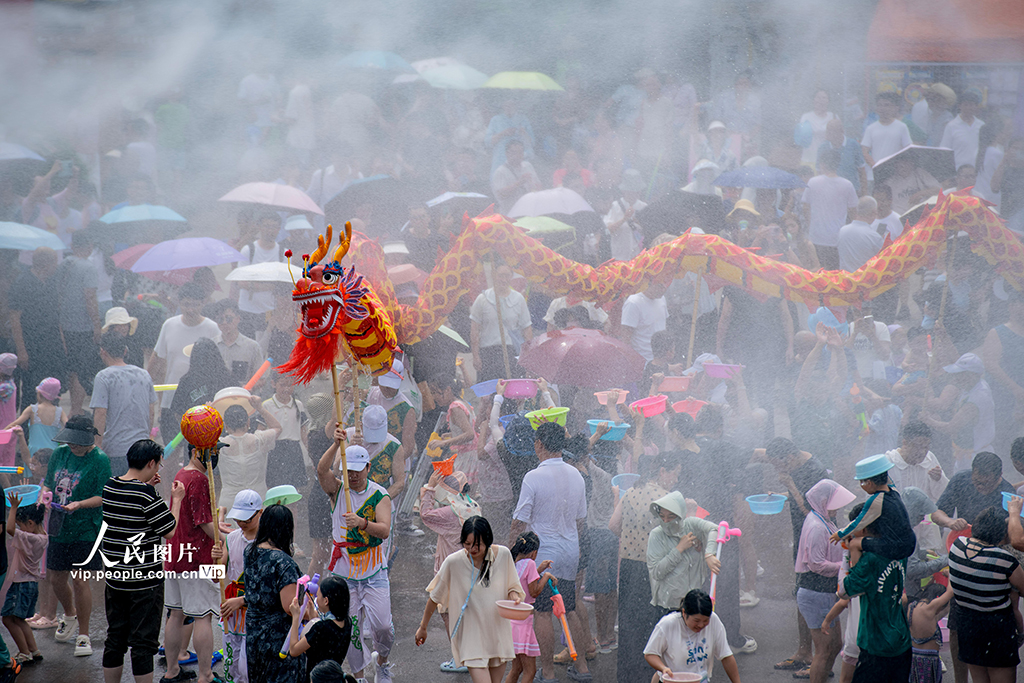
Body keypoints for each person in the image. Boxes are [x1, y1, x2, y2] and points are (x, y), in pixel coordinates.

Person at [509, 422, 591, 683]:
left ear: (539, 445)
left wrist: (510, 554)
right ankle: (583, 669)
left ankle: (550, 672)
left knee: (543, 611)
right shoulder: (576, 475)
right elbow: (580, 521)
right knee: (569, 608)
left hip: (543, 554)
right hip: (570, 549)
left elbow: (519, 520)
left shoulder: (533, 477)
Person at [100, 439, 183, 683]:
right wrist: (175, 499)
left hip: (116, 579)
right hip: (145, 581)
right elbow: (169, 530)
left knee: (115, 637)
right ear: (150, 463)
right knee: (143, 643)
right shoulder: (146, 494)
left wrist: (147, 486)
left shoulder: (110, 486)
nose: (158, 469)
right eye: (157, 465)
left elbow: (131, 509)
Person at [317, 440, 393, 683]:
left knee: (382, 626)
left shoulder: (380, 495)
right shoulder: (337, 490)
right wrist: (336, 443)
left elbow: (384, 531)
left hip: (373, 571)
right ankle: (359, 676)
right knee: (349, 630)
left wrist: (362, 523)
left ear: (368, 467)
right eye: (349, 470)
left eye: (358, 470)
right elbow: (321, 470)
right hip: (344, 575)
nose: (353, 475)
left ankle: (382, 662)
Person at [415, 516, 524, 683]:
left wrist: (515, 598)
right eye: (467, 543)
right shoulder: (454, 562)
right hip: (471, 639)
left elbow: (512, 588)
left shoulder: (503, 555)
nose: (472, 548)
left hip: (498, 636)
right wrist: (423, 627)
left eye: (477, 544)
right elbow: (434, 597)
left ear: (488, 540)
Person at [43, 414, 111, 657]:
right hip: (59, 526)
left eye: (78, 443)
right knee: (57, 579)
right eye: (70, 441)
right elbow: (48, 485)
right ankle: (69, 614)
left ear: (88, 440)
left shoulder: (100, 460)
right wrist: (45, 495)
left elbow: (103, 496)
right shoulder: (59, 454)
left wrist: (79, 504)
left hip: (86, 528)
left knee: (80, 579)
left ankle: (84, 634)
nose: (73, 446)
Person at [609, 453, 679, 683]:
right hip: (655, 570)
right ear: (662, 472)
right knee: (655, 625)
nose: (675, 480)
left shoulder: (630, 492)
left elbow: (613, 525)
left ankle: (628, 676)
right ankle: (650, 675)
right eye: (674, 474)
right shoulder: (667, 499)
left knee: (629, 624)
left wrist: (631, 536)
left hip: (629, 567)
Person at [764, 438, 829, 672]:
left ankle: (822, 659)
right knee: (802, 594)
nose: (777, 470)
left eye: (778, 465)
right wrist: (782, 493)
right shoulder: (799, 467)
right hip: (803, 541)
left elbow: (816, 512)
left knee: (816, 597)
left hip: (816, 544)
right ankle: (804, 651)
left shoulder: (815, 471)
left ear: (789, 458)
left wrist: (790, 485)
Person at [162, 441, 219, 683]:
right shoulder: (200, 479)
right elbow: (203, 522)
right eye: (214, 452)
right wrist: (224, 538)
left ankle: (172, 670)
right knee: (202, 616)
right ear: (198, 452)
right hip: (196, 557)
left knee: (175, 614)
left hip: (175, 553)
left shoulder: (181, 473)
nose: (216, 457)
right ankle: (205, 675)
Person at [836, 500, 912, 682]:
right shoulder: (899, 548)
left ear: (862, 529)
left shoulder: (870, 560)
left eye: (852, 526)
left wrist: (852, 550)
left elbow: (845, 591)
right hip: (900, 640)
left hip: (876, 645)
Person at [947, 506, 1024, 680]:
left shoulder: (957, 546)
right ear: (1001, 535)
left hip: (968, 624)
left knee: (979, 678)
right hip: (997, 628)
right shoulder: (1004, 560)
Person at [794, 480, 856, 683]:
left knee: (836, 645)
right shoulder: (817, 527)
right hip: (815, 593)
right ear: (823, 501)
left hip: (825, 593)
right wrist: (845, 567)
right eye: (835, 503)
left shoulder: (823, 519)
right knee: (823, 649)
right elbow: (816, 564)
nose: (838, 508)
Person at [148, 283, 221, 441]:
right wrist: (145, 383)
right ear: (179, 302)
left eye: (195, 304)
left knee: (197, 452)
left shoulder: (212, 329)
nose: (190, 310)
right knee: (170, 452)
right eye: (186, 304)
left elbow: (219, 365)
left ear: (204, 303)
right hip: (171, 400)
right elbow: (158, 358)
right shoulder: (169, 325)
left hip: (201, 401)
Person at [243, 504, 303, 683]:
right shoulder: (283, 563)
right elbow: (288, 607)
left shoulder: (250, 551)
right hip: (277, 637)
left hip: (254, 631)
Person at [91, 331, 158, 477]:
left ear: (103, 352)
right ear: (125, 351)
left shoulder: (103, 377)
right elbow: (151, 410)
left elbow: (100, 413)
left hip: (116, 450)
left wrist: (98, 445)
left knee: (117, 496)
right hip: (142, 448)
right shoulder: (144, 374)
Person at [215, 489, 263, 683]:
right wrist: (215, 561)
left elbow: (270, 587)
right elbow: (215, 577)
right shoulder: (232, 538)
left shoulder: (267, 542)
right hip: (232, 616)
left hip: (256, 614)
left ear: (260, 513)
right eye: (239, 519)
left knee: (247, 667)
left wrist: (242, 600)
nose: (242, 524)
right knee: (231, 665)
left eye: (247, 519)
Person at [643, 589, 742, 683]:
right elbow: (650, 654)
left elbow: (726, 656)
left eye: (705, 620)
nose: (701, 625)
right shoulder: (668, 624)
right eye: (696, 620)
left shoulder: (714, 621)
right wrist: (663, 668)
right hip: (673, 681)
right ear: (684, 613)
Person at [646, 491, 720, 614]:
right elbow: (656, 572)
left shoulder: (691, 525)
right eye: (662, 516)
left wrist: (709, 554)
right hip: (669, 606)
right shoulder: (656, 535)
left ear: (680, 515)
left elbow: (715, 529)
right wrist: (679, 549)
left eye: (671, 516)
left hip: (694, 602)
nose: (665, 521)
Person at [832, 454, 917, 561]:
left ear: (869, 483)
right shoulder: (894, 491)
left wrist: (840, 534)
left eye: (861, 482)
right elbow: (887, 478)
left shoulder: (877, 500)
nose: (861, 486)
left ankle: (856, 575)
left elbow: (859, 522)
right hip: (910, 542)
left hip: (896, 547)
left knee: (855, 544)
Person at [920, 352, 995, 472]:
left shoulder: (978, 397)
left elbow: (951, 428)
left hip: (976, 459)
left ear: (973, 375)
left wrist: (929, 420)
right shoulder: (973, 386)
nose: (956, 378)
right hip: (965, 455)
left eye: (960, 374)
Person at [8, 247, 64, 407]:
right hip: (31, 343)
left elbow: (56, 314)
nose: (56, 266)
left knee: (52, 389)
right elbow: (14, 317)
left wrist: (62, 342)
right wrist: (21, 351)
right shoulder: (22, 283)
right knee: (32, 391)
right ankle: (27, 428)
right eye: (54, 262)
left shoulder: (51, 282)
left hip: (51, 343)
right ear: (45, 263)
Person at [56, 229, 102, 414]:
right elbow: (89, 297)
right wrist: (97, 324)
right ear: (90, 245)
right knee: (81, 370)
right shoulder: (88, 267)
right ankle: (75, 410)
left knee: (72, 368)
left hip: (64, 323)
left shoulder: (63, 264)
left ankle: (68, 410)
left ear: (72, 245)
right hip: (82, 326)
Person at [3, 491, 46, 666]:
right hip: (30, 584)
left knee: (7, 618)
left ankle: (24, 652)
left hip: (22, 583)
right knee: (20, 620)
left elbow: (9, 529)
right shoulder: (43, 537)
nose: (19, 528)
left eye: (21, 525)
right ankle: (34, 650)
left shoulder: (29, 537)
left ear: (29, 523)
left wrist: (13, 508)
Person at [506, 532, 554, 683]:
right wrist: (545, 576)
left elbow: (523, 583)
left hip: (512, 621)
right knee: (530, 670)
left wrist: (539, 570)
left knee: (516, 669)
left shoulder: (514, 563)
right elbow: (534, 591)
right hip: (523, 624)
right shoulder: (530, 564)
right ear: (534, 552)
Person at [470, 265, 532, 382]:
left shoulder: (518, 299)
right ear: (494, 275)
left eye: (507, 276)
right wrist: (476, 355)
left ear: (511, 277)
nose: (504, 280)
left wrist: (528, 357)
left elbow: (526, 329)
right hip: (488, 353)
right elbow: (474, 329)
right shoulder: (482, 299)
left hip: (511, 352)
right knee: (489, 395)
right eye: (500, 276)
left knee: (511, 393)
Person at [218, 398, 282, 509]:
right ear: (248, 422)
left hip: (230, 503)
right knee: (258, 526)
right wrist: (260, 408)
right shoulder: (260, 440)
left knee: (230, 527)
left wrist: (209, 413)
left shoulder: (218, 445)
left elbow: (198, 438)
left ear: (226, 426)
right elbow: (277, 428)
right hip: (257, 499)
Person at [801, 148, 859, 270]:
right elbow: (854, 213)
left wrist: (811, 225)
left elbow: (805, 207)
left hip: (816, 238)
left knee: (817, 274)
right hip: (837, 239)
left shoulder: (812, 182)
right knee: (834, 276)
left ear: (822, 164)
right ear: (837, 164)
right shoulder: (847, 185)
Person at [287, 574, 352, 679]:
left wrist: (296, 617)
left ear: (326, 601)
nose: (316, 600)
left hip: (316, 678)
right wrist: (314, 617)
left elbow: (294, 650)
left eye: (318, 597)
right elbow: (324, 642)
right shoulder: (347, 623)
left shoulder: (320, 629)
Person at [236, 209, 284, 337]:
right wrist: (269, 286)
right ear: (259, 227)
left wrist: (254, 285)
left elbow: (284, 285)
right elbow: (241, 282)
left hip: (270, 311)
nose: (270, 230)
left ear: (279, 229)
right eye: (267, 226)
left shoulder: (283, 253)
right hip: (247, 309)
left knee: (267, 350)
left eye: (274, 227)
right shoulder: (248, 250)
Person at [169, 338, 234, 432]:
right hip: (222, 435)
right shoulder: (227, 376)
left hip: (198, 436)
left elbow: (177, 413)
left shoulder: (187, 380)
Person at [262, 372, 308, 490]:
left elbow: (303, 432)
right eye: (282, 385)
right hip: (275, 450)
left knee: (294, 492)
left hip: (294, 450)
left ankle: (292, 509)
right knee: (274, 490)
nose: (286, 389)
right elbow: (260, 431)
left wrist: (310, 453)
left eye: (290, 385)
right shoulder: (267, 406)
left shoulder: (298, 404)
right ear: (273, 384)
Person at [4, 377, 63, 467]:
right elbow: (68, 426)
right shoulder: (60, 412)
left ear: (39, 394)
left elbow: (15, 423)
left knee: (32, 478)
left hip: (34, 453)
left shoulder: (32, 409)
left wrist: (3, 432)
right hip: (52, 452)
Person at [885, 421, 948, 502]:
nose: (922, 452)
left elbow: (943, 495)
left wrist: (938, 479)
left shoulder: (929, 459)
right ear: (905, 443)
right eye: (918, 446)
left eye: (926, 447)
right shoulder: (888, 462)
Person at [211, 301, 265, 388]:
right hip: (216, 397)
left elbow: (261, 379)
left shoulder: (252, 346)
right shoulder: (211, 345)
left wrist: (248, 388)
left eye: (229, 319)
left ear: (238, 319)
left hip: (242, 397)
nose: (224, 322)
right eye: (220, 319)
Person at [906, 583, 953, 683]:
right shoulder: (931, 608)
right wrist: (950, 575)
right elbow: (950, 592)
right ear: (936, 598)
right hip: (928, 661)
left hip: (913, 658)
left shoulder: (912, 607)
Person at [602, 169, 647, 262]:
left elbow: (649, 230)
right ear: (624, 190)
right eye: (631, 191)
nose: (634, 194)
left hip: (639, 258)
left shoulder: (644, 207)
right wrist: (624, 219)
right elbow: (607, 230)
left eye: (637, 191)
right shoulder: (615, 206)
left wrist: (640, 223)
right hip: (619, 258)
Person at [620, 280, 669, 362]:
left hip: (660, 359)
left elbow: (662, 326)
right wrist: (631, 359)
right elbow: (626, 336)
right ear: (648, 284)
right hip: (642, 359)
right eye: (660, 285)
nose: (664, 289)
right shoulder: (633, 302)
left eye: (665, 285)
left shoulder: (662, 300)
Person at [860, 91, 912, 169]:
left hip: (895, 173)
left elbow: (908, 149)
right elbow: (864, 151)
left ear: (895, 107)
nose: (882, 108)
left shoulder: (902, 127)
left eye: (886, 105)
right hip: (875, 174)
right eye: (879, 105)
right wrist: (875, 166)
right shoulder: (870, 128)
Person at [491, 140, 540, 215]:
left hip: (529, 212)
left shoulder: (528, 166)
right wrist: (519, 183)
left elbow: (539, 187)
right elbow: (500, 195)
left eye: (520, 152)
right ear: (507, 153)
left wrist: (532, 185)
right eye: (514, 152)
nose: (517, 155)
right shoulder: (500, 172)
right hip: (510, 215)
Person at [817, 119, 867, 194]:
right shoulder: (823, 148)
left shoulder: (853, 145)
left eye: (834, 131)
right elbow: (819, 172)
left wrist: (864, 193)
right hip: (830, 192)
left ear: (842, 131)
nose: (831, 134)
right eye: (828, 131)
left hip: (851, 191)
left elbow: (862, 171)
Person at [940, 90, 984, 172]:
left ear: (976, 106)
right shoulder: (951, 126)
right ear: (960, 106)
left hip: (977, 172)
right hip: (958, 172)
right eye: (965, 105)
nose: (968, 108)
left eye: (971, 105)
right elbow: (944, 151)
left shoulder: (982, 126)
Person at [837, 196, 882, 272]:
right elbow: (883, 259)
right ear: (874, 212)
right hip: (865, 280)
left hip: (845, 280)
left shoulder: (842, 231)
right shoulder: (874, 236)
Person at [798, 89, 837, 167]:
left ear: (828, 101)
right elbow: (800, 137)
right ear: (814, 100)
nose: (821, 100)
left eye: (824, 98)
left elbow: (838, 138)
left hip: (827, 162)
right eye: (818, 97)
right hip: (808, 159)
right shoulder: (806, 117)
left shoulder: (833, 117)